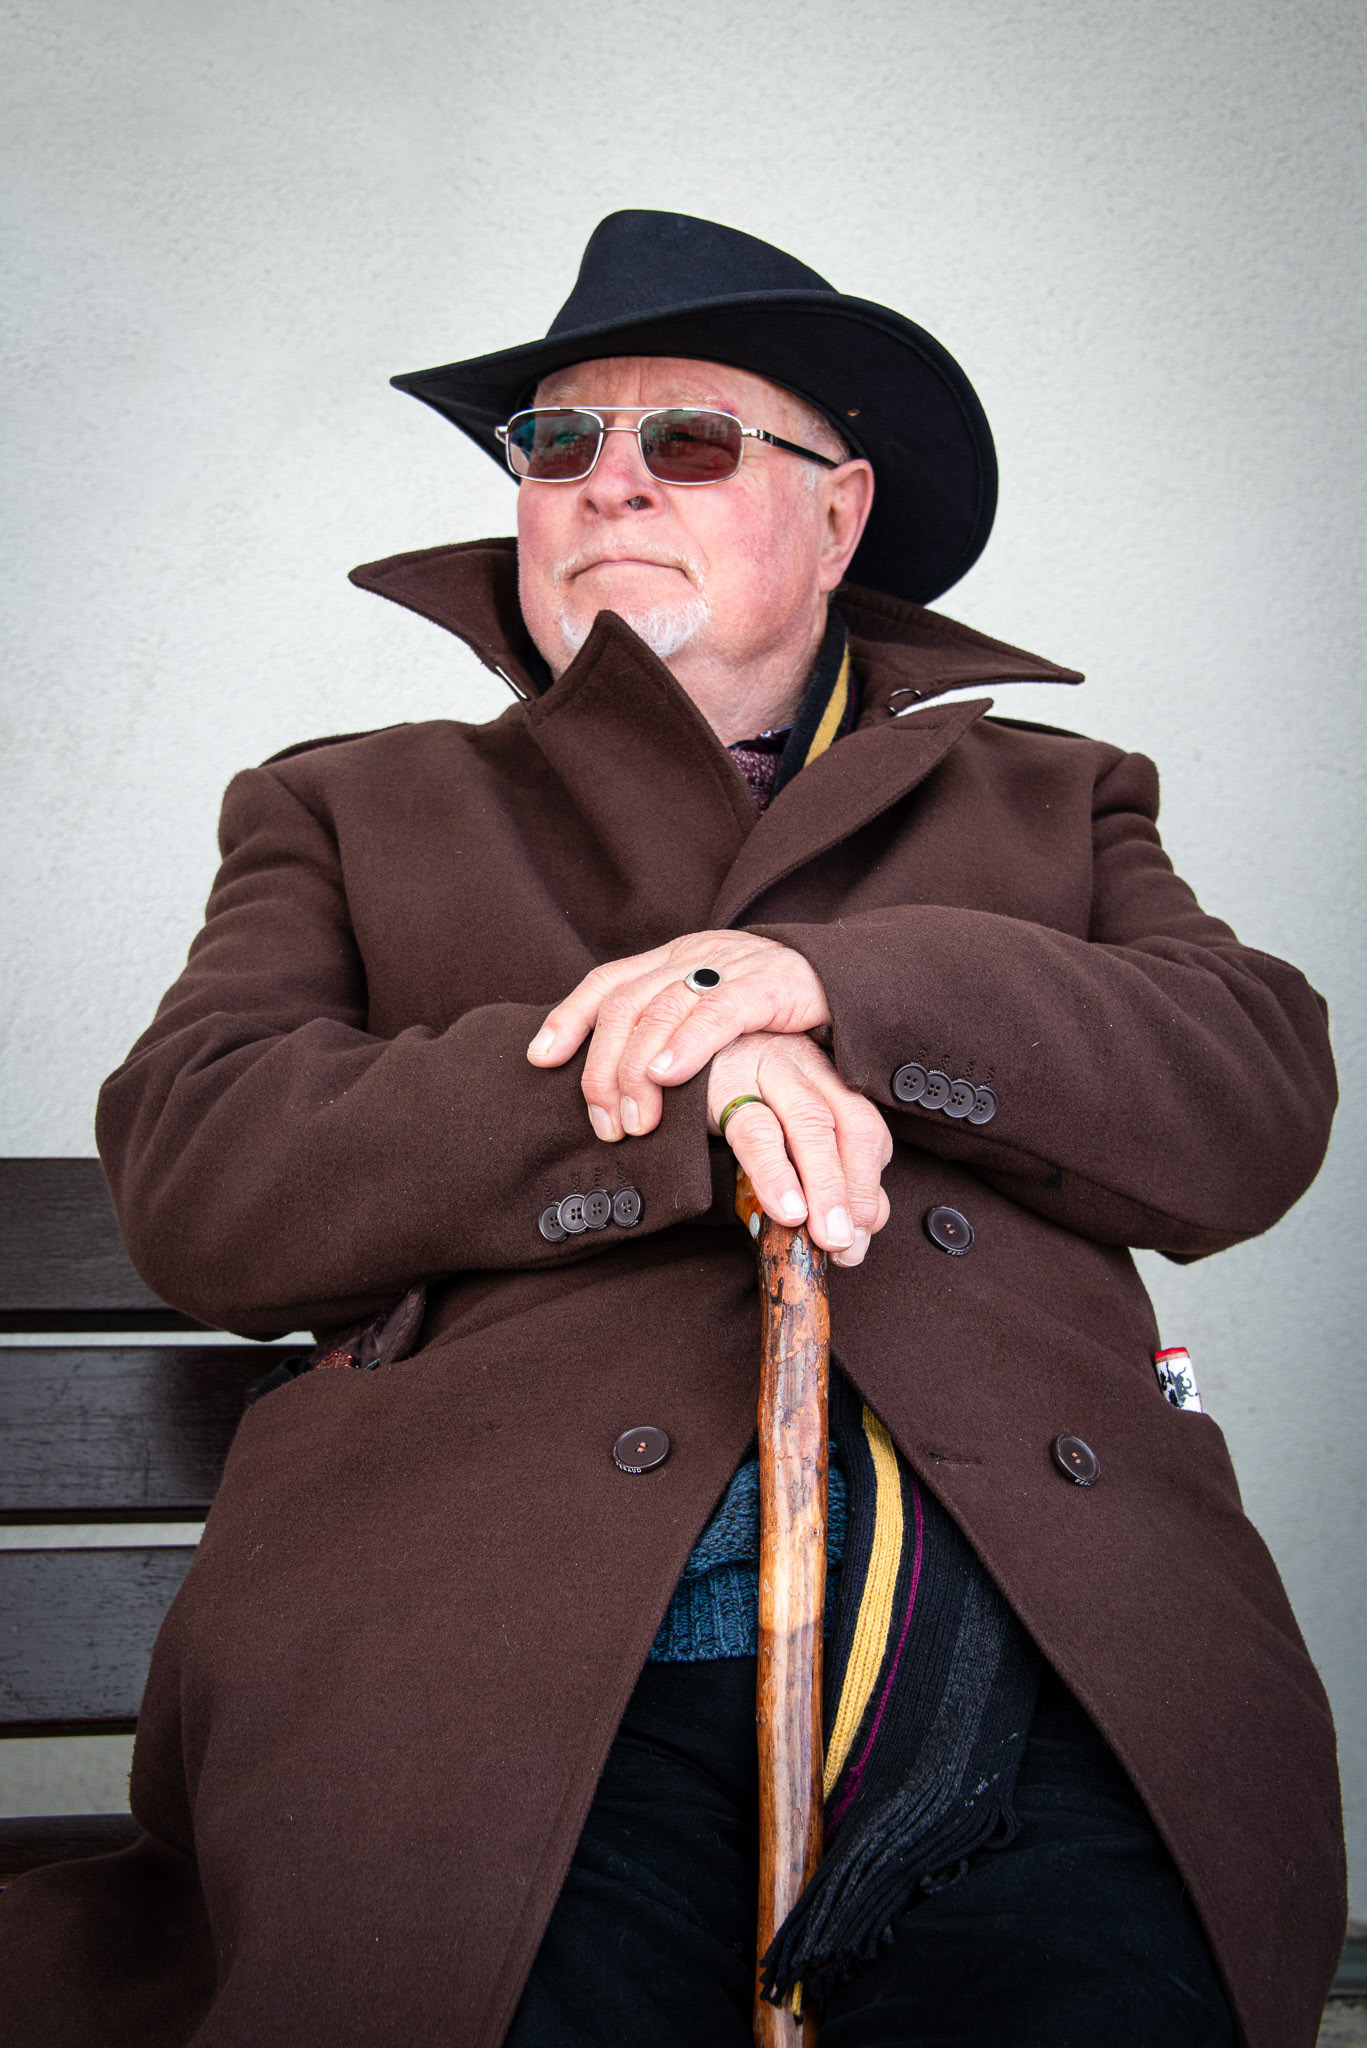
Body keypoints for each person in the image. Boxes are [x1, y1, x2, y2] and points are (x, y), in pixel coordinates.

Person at [0, 211, 1345, 2048]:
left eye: (689, 440)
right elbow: (203, 1171)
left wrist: (828, 991)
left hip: (1025, 1679)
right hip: (486, 1667)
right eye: (559, 444)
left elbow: (1252, 1094)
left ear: (841, 513)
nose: (608, 484)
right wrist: (680, 1083)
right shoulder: (350, 807)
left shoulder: (1061, 806)